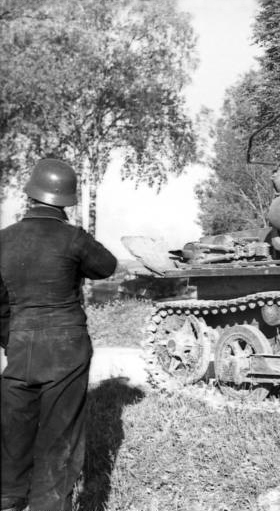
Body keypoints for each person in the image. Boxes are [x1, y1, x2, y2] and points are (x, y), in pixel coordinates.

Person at [1, 159, 117, 511]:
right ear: (67, 199)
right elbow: (106, 266)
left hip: (21, 344)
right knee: (59, 432)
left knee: (13, 428)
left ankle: (8, 496)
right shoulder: (74, 238)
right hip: (67, 345)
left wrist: (13, 337)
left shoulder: (2, 240)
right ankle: (48, 505)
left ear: (31, 193)